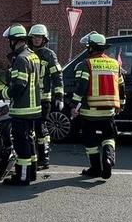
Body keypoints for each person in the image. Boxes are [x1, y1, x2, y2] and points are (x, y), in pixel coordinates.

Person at [71, 32, 126, 181]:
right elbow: (121, 85)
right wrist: (121, 104)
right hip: (108, 110)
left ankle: (95, 169)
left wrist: (74, 107)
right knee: (109, 137)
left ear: (91, 48)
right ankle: (108, 159)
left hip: (89, 111)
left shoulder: (85, 64)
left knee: (91, 141)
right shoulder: (115, 64)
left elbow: (81, 88)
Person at [1, 23, 43, 186]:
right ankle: (31, 173)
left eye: (9, 40)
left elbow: (19, 86)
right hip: (34, 108)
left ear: (14, 40)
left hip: (22, 109)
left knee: (21, 143)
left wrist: (2, 93)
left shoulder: (20, 59)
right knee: (29, 140)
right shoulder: (33, 55)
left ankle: (23, 176)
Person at [27, 24, 64, 170]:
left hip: (44, 99)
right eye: (35, 37)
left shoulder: (49, 55)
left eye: (40, 37)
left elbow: (57, 76)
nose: (37, 40)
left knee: (40, 128)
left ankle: (44, 159)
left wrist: (59, 96)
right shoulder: (27, 53)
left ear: (44, 39)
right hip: (29, 99)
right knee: (30, 129)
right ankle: (31, 158)